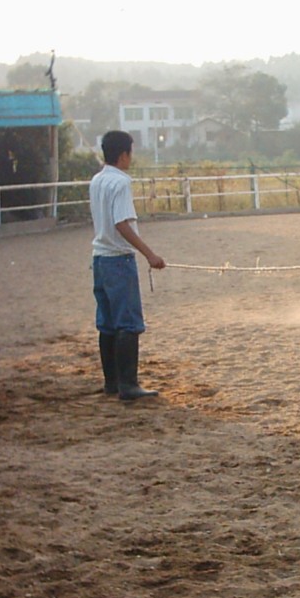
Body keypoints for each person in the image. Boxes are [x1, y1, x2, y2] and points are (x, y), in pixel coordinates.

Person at [90, 130, 165, 400]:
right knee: (128, 323)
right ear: (124, 154)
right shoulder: (121, 182)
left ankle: (112, 381)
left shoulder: (97, 180)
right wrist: (149, 254)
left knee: (108, 323)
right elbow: (121, 223)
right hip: (119, 260)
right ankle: (129, 385)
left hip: (100, 259)